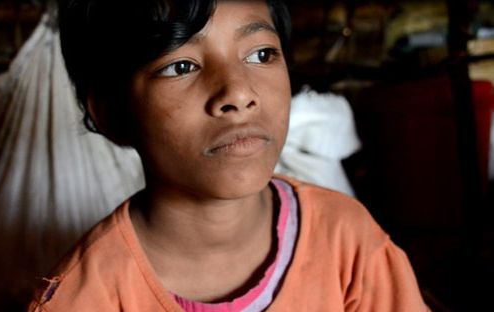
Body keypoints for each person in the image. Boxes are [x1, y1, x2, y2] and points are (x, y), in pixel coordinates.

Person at [28, 0, 430, 311]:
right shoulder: (84, 297)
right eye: (181, 65)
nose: (238, 92)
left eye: (261, 55)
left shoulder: (349, 241)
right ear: (113, 114)